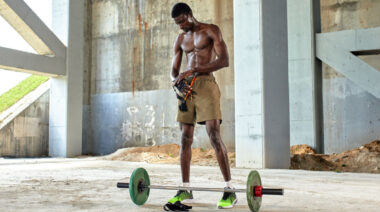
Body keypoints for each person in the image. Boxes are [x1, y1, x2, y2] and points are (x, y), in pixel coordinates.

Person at [168, 2, 236, 209]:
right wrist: (176, 80)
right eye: (176, 23)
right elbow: (174, 69)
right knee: (185, 138)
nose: (180, 26)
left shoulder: (210, 30)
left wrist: (194, 69)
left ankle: (229, 190)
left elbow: (224, 60)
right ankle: (185, 188)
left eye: (181, 21)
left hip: (206, 84)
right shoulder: (180, 39)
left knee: (214, 134)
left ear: (189, 15)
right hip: (186, 88)